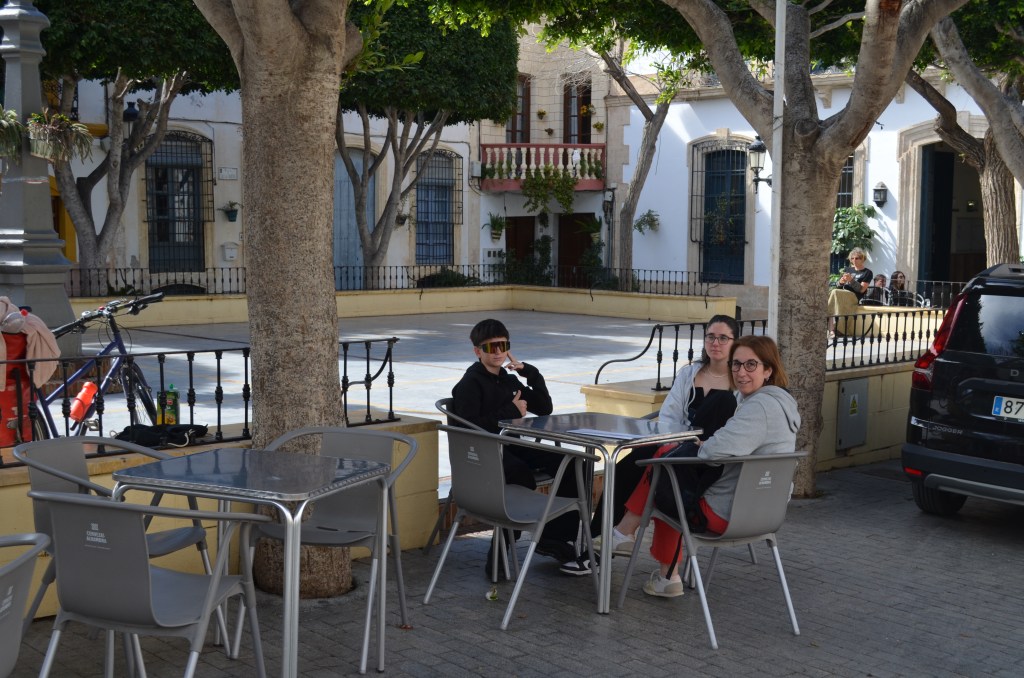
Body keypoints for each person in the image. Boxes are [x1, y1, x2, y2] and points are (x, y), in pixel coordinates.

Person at [617, 335, 800, 597]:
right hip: (766, 515)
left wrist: (704, 444)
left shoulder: (760, 407)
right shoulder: (781, 405)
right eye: (736, 364)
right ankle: (636, 546)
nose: (741, 372)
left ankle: (641, 550)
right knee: (670, 475)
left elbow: (714, 452)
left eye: (751, 365)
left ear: (768, 370)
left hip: (728, 515)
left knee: (665, 479)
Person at [449, 318, 589, 576]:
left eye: (503, 346)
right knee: (520, 474)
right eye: (491, 347)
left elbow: (544, 407)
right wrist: (510, 411)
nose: (498, 352)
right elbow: (468, 428)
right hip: (485, 451)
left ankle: (554, 538)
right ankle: (501, 549)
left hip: (513, 445)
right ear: (477, 351)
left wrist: (530, 373)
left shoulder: (508, 380)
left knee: (574, 463)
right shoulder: (469, 384)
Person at [592, 315, 740, 555]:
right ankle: (598, 538)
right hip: (674, 443)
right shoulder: (689, 373)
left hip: (709, 455)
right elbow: (670, 415)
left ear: (735, 343)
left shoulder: (740, 381)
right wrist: (675, 441)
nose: (716, 343)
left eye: (723, 338)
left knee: (655, 470)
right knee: (628, 465)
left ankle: (614, 538)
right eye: (711, 337)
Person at [828, 248, 873, 333]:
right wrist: (841, 282)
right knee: (834, 292)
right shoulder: (848, 270)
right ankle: (832, 329)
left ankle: (828, 319)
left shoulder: (867, 272)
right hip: (842, 294)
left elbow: (861, 290)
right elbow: (838, 286)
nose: (854, 260)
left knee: (835, 292)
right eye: (852, 258)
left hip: (854, 296)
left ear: (862, 259)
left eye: (857, 258)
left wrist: (851, 280)